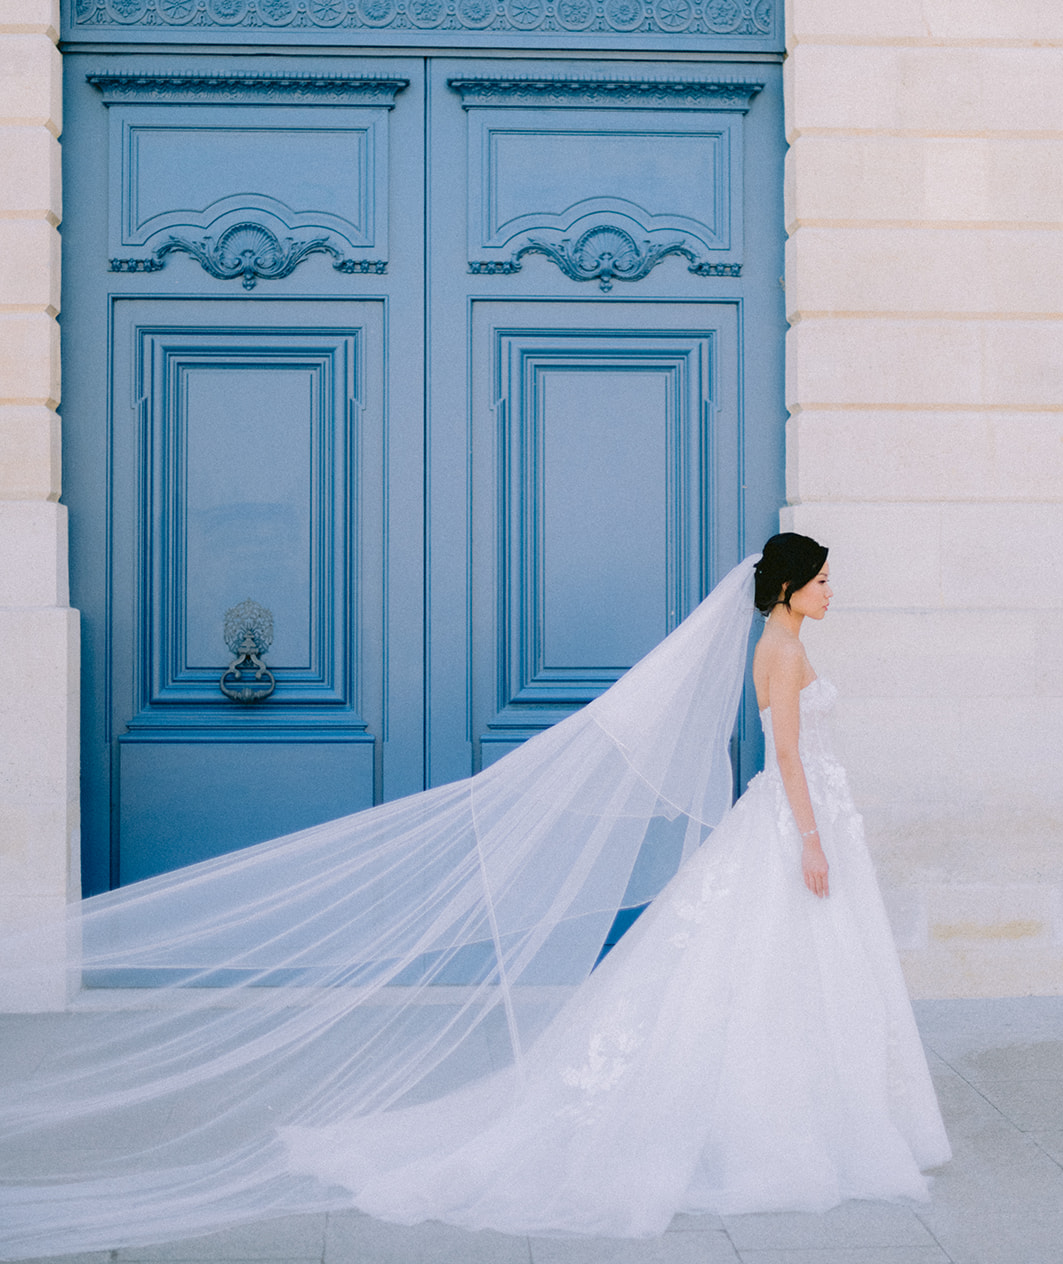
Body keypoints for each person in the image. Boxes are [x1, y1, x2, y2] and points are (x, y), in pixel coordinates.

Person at [0, 536, 950, 1258]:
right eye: (822, 578)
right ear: (788, 588)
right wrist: (813, 842)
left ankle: (806, 1106)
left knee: (774, 976)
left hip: (803, 821)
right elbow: (785, 754)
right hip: (795, 825)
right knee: (755, 970)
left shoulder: (780, 642)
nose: (833, 590)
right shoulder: (780, 654)